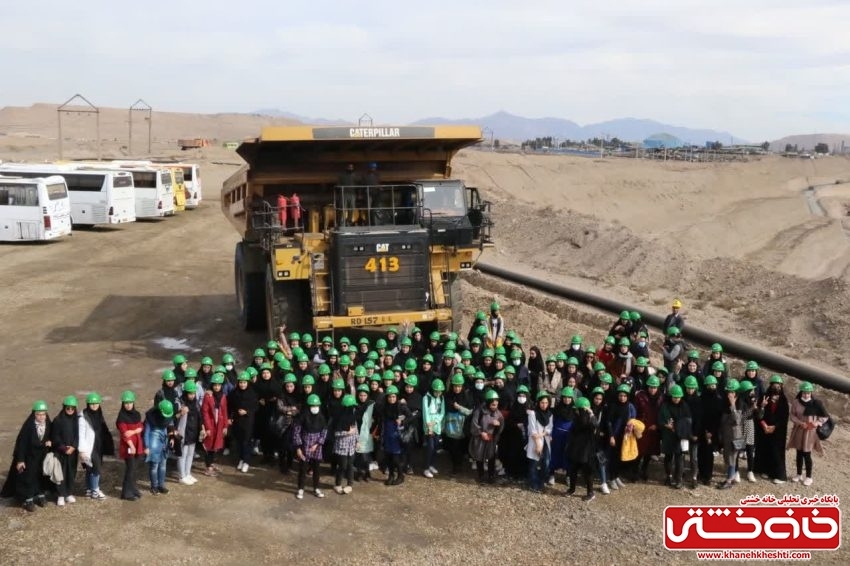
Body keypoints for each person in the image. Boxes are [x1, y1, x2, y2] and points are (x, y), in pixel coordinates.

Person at [1, 400, 52, 511]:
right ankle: (27, 499)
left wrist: (49, 441)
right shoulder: (29, 427)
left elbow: (50, 435)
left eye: (43, 414)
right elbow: (22, 444)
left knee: (41, 476)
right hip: (29, 457)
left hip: (41, 456)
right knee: (28, 478)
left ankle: (40, 495)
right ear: (34, 414)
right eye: (38, 414)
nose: (41, 417)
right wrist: (20, 460)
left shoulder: (48, 423)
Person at [787, 381, 829, 486]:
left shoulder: (816, 404)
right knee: (799, 454)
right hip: (799, 430)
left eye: (808, 393)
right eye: (804, 392)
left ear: (811, 393)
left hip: (810, 432)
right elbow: (792, 415)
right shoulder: (796, 402)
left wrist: (817, 423)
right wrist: (800, 423)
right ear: (801, 392)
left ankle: (809, 477)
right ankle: (798, 474)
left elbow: (824, 417)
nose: (806, 395)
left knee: (807, 454)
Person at [78, 392, 114, 500]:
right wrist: (82, 450)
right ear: (88, 404)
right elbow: (81, 434)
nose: (94, 405)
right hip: (89, 448)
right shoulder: (83, 417)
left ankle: (89, 489)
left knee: (90, 469)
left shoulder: (99, 414)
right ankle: (95, 490)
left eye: (96, 403)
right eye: (92, 403)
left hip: (98, 446)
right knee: (95, 469)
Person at [754, 375, 789, 484]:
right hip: (764, 429)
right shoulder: (765, 397)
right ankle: (765, 470)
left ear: (781, 386)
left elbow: (784, 417)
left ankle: (779, 475)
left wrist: (774, 427)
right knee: (764, 449)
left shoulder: (783, 400)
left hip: (777, 431)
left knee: (776, 452)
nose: (776, 387)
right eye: (774, 384)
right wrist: (764, 425)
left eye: (778, 385)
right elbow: (759, 414)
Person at [293, 394, 328, 499]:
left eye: (317, 405)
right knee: (303, 468)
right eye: (312, 405)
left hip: (317, 447)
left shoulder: (321, 417)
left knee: (316, 469)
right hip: (305, 446)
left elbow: (324, 431)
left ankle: (316, 488)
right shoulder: (302, 417)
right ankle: (300, 489)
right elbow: (296, 432)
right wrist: (298, 448)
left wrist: (317, 444)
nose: (315, 408)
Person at [659, 385, 691, 489]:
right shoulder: (665, 406)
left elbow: (688, 420)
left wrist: (678, 428)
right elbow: (660, 419)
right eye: (674, 397)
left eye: (678, 397)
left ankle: (679, 479)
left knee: (679, 458)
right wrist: (666, 425)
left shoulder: (684, 406)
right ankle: (668, 476)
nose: (676, 399)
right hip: (668, 435)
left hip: (679, 436)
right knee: (668, 457)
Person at [567, 397, 598, 501]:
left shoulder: (589, 420)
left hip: (585, 451)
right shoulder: (577, 419)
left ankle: (590, 492)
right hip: (577, 449)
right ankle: (572, 489)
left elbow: (595, 425)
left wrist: (591, 413)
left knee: (587, 472)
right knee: (574, 470)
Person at [379, 385, 411, 486]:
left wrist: (402, 422)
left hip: (397, 435)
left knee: (396, 458)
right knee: (388, 457)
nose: (391, 399)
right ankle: (391, 476)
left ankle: (401, 476)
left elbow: (410, 417)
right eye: (389, 397)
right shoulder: (384, 407)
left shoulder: (401, 407)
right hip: (387, 434)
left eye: (393, 397)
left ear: (396, 397)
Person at [470, 389, 504, 484]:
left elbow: (501, 426)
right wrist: (481, 432)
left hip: (491, 439)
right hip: (480, 438)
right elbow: (474, 424)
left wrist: (498, 425)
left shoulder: (498, 413)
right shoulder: (479, 411)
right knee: (479, 457)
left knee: (491, 457)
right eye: (493, 404)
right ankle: (481, 476)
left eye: (496, 405)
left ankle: (491, 476)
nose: (495, 407)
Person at [51, 395, 80, 507]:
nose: (70, 410)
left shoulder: (77, 420)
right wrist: (64, 448)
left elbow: (78, 435)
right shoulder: (58, 420)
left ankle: (68, 493)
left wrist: (74, 447)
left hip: (73, 451)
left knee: (71, 472)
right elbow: (55, 437)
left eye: (72, 408)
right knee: (61, 473)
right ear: (64, 407)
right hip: (61, 452)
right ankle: (60, 495)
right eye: (68, 408)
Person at [115, 391, 144, 500]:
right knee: (130, 469)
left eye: (130, 402)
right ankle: (126, 493)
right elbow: (124, 433)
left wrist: (133, 431)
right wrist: (131, 446)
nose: (128, 405)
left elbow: (141, 427)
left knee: (134, 469)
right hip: (129, 447)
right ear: (123, 404)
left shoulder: (136, 414)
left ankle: (133, 489)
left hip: (138, 446)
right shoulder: (121, 417)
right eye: (126, 403)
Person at [228, 372, 259, 474]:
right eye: (241, 382)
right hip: (237, 420)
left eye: (244, 382)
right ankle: (241, 459)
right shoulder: (234, 393)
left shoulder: (252, 393)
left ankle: (246, 461)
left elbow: (256, 407)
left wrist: (247, 412)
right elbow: (230, 406)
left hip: (248, 421)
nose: (242, 384)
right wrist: (230, 417)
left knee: (246, 441)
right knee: (239, 441)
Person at [144, 400, 176, 495]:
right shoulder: (150, 418)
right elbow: (146, 432)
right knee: (154, 466)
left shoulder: (168, 416)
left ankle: (161, 485)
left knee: (163, 466)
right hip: (153, 445)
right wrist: (146, 446)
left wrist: (172, 438)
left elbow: (171, 426)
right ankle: (154, 486)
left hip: (164, 443)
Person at [443, 374, 474, 475]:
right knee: (452, 447)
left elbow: (469, 411)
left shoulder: (466, 396)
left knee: (460, 447)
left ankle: (459, 465)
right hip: (450, 426)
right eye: (455, 386)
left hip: (462, 426)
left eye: (459, 386)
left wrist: (459, 407)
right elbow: (446, 408)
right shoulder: (448, 396)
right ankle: (455, 466)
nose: (457, 388)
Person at [634, 376, 663, 481]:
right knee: (638, 451)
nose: (652, 389)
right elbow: (635, 411)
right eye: (651, 387)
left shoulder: (661, 398)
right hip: (642, 427)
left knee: (649, 451)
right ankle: (635, 471)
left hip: (654, 429)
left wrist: (658, 425)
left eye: (655, 387)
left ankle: (644, 470)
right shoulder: (640, 396)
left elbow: (662, 414)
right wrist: (637, 425)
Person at [201, 374, 229, 477]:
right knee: (209, 446)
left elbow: (225, 411)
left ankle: (211, 464)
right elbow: (205, 412)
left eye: (219, 385)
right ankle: (208, 467)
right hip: (211, 424)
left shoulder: (223, 396)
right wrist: (208, 427)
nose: (217, 387)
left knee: (215, 446)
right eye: (215, 385)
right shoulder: (208, 396)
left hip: (219, 424)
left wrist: (225, 426)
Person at [526, 390, 553, 492]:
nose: (544, 405)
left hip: (545, 440)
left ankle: (541, 482)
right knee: (533, 463)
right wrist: (538, 443)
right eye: (542, 402)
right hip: (534, 441)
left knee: (546, 463)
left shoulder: (550, 414)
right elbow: (532, 430)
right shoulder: (533, 414)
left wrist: (541, 434)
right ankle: (533, 484)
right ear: (538, 402)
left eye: (546, 403)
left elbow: (549, 429)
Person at [718, 379, 742, 490]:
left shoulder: (740, 403)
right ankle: (729, 478)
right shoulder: (723, 403)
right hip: (726, 435)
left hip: (735, 436)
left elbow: (737, 420)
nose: (730, 394)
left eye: (732, 392)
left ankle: (729, 480)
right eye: (728, 392)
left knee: (732, 458)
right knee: (728, 458)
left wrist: (733, 405)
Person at [176, 380, 201, 485]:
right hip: (184, 432)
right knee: (183, 454)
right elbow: (174, 417)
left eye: (193, 393)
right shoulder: (180, 403)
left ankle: (188, 473)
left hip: (193, 431)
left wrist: (201, 428)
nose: (192, 395)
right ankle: (182, 476)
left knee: (190, 454)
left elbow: (199, 416)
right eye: (190, 393)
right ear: (185, 393)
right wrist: (181, 412)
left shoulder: (195, 403)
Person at [333, 394, 358, 494]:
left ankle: (349, 484)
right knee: (342, 466)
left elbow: (356, 430)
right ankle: (338, 484)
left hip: (351, 447)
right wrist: (347, 432)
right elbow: (336, 433)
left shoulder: (353, 418)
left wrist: (357, 441)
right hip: (341, 447)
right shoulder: (339, 418)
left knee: (350, 465)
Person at [422, 378, 446, 478]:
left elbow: (442, 412)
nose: (438, 393)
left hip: (437, 426)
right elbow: (425, 413)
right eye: (436, 391)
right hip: (429, 427)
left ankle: (432, 465)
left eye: (440, 391)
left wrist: (436, 422)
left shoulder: (442, 398)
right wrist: (429, 426)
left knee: (436, 447)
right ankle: (426, 468)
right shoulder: (426, 398)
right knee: (430, 447)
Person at [353, 384, 376, 482]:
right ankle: (359, 472)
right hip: (357, 432)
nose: (362, 397)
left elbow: (377, 418)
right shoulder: (355, 405)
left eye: (364, 395)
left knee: (366, 454)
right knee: (358, 454)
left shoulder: (371, 405)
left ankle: (366, 472)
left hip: (367, 433)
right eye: (360, 395)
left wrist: (374, 429)